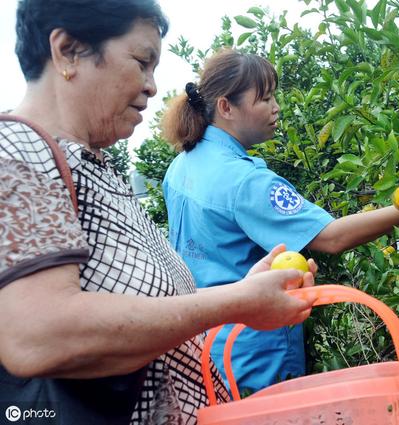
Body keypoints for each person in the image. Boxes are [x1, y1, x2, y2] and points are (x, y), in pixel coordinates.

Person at [0, 2, 317, 424]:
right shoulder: (16, 153)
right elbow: (37, 335)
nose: (152, 86)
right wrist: (232, 302)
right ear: (68, 51)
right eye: (142, 61)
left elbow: (141, 309)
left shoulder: (92, 166)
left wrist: (241, 295)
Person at [161, 49, 399, 394]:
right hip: (256, 350)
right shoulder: (246, 181)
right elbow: (331, 238)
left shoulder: (181, 165)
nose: (276, 108)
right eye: (265, 98)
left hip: (208, 343)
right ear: (226, 107)